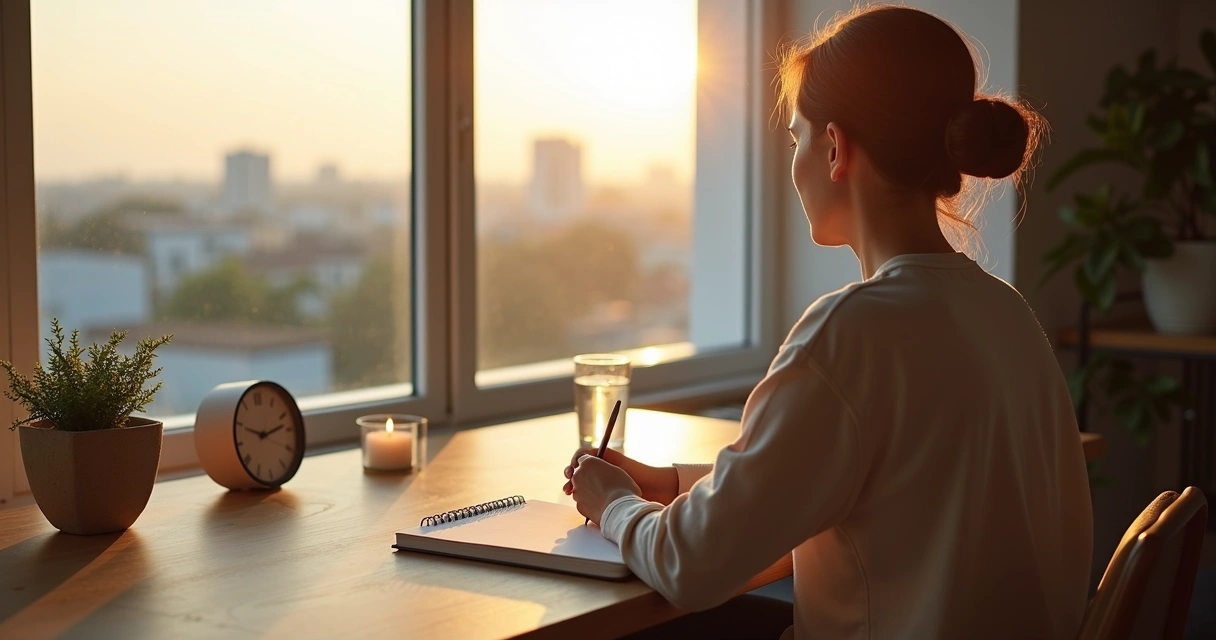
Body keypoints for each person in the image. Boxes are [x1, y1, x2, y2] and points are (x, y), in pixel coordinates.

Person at [562, 5, 1093, 639]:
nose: (793, 163)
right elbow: (867, 481)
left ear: (835, 147)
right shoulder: (1004, 312)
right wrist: (670, 484)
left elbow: (690, 566)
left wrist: (612, 503)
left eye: (795, 138)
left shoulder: (851, 332)